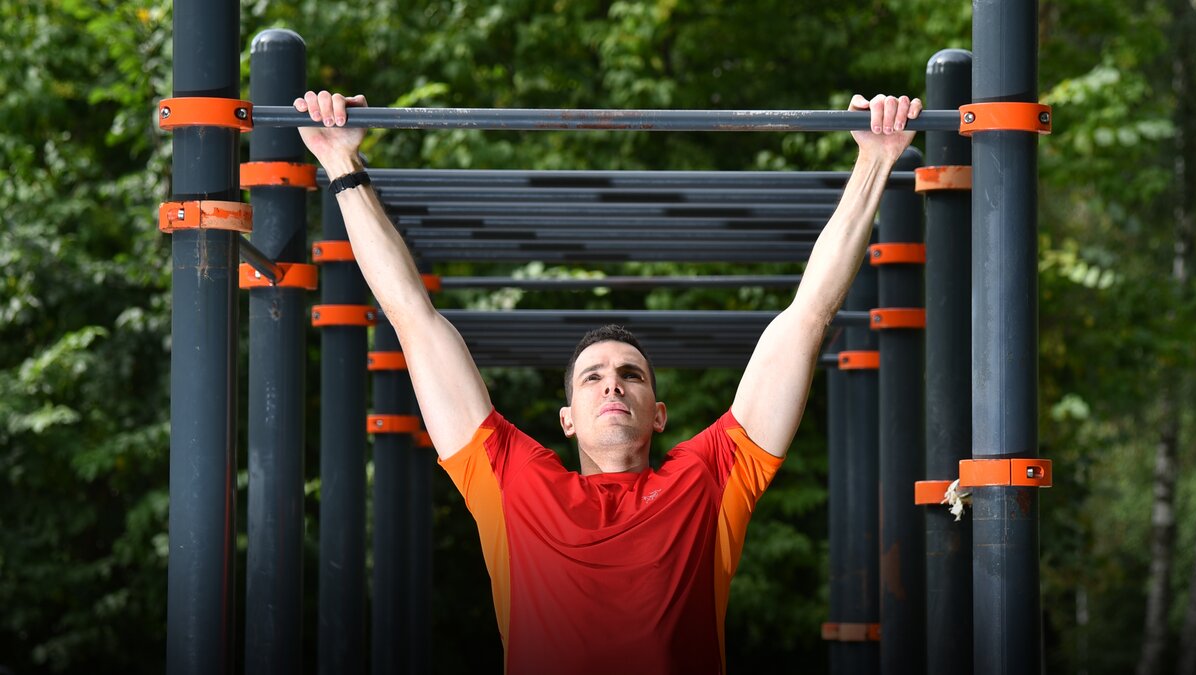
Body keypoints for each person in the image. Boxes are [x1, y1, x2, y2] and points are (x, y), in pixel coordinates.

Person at [295, 91, 921, 673]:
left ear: (659, 413)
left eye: (630, 375)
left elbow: (808, 318)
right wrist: (341, 165)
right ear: (566, 418)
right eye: (591, 377)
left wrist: (874, 162)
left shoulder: (707, 480)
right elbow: (412, 318)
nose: (612, 385)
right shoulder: (512, 481)